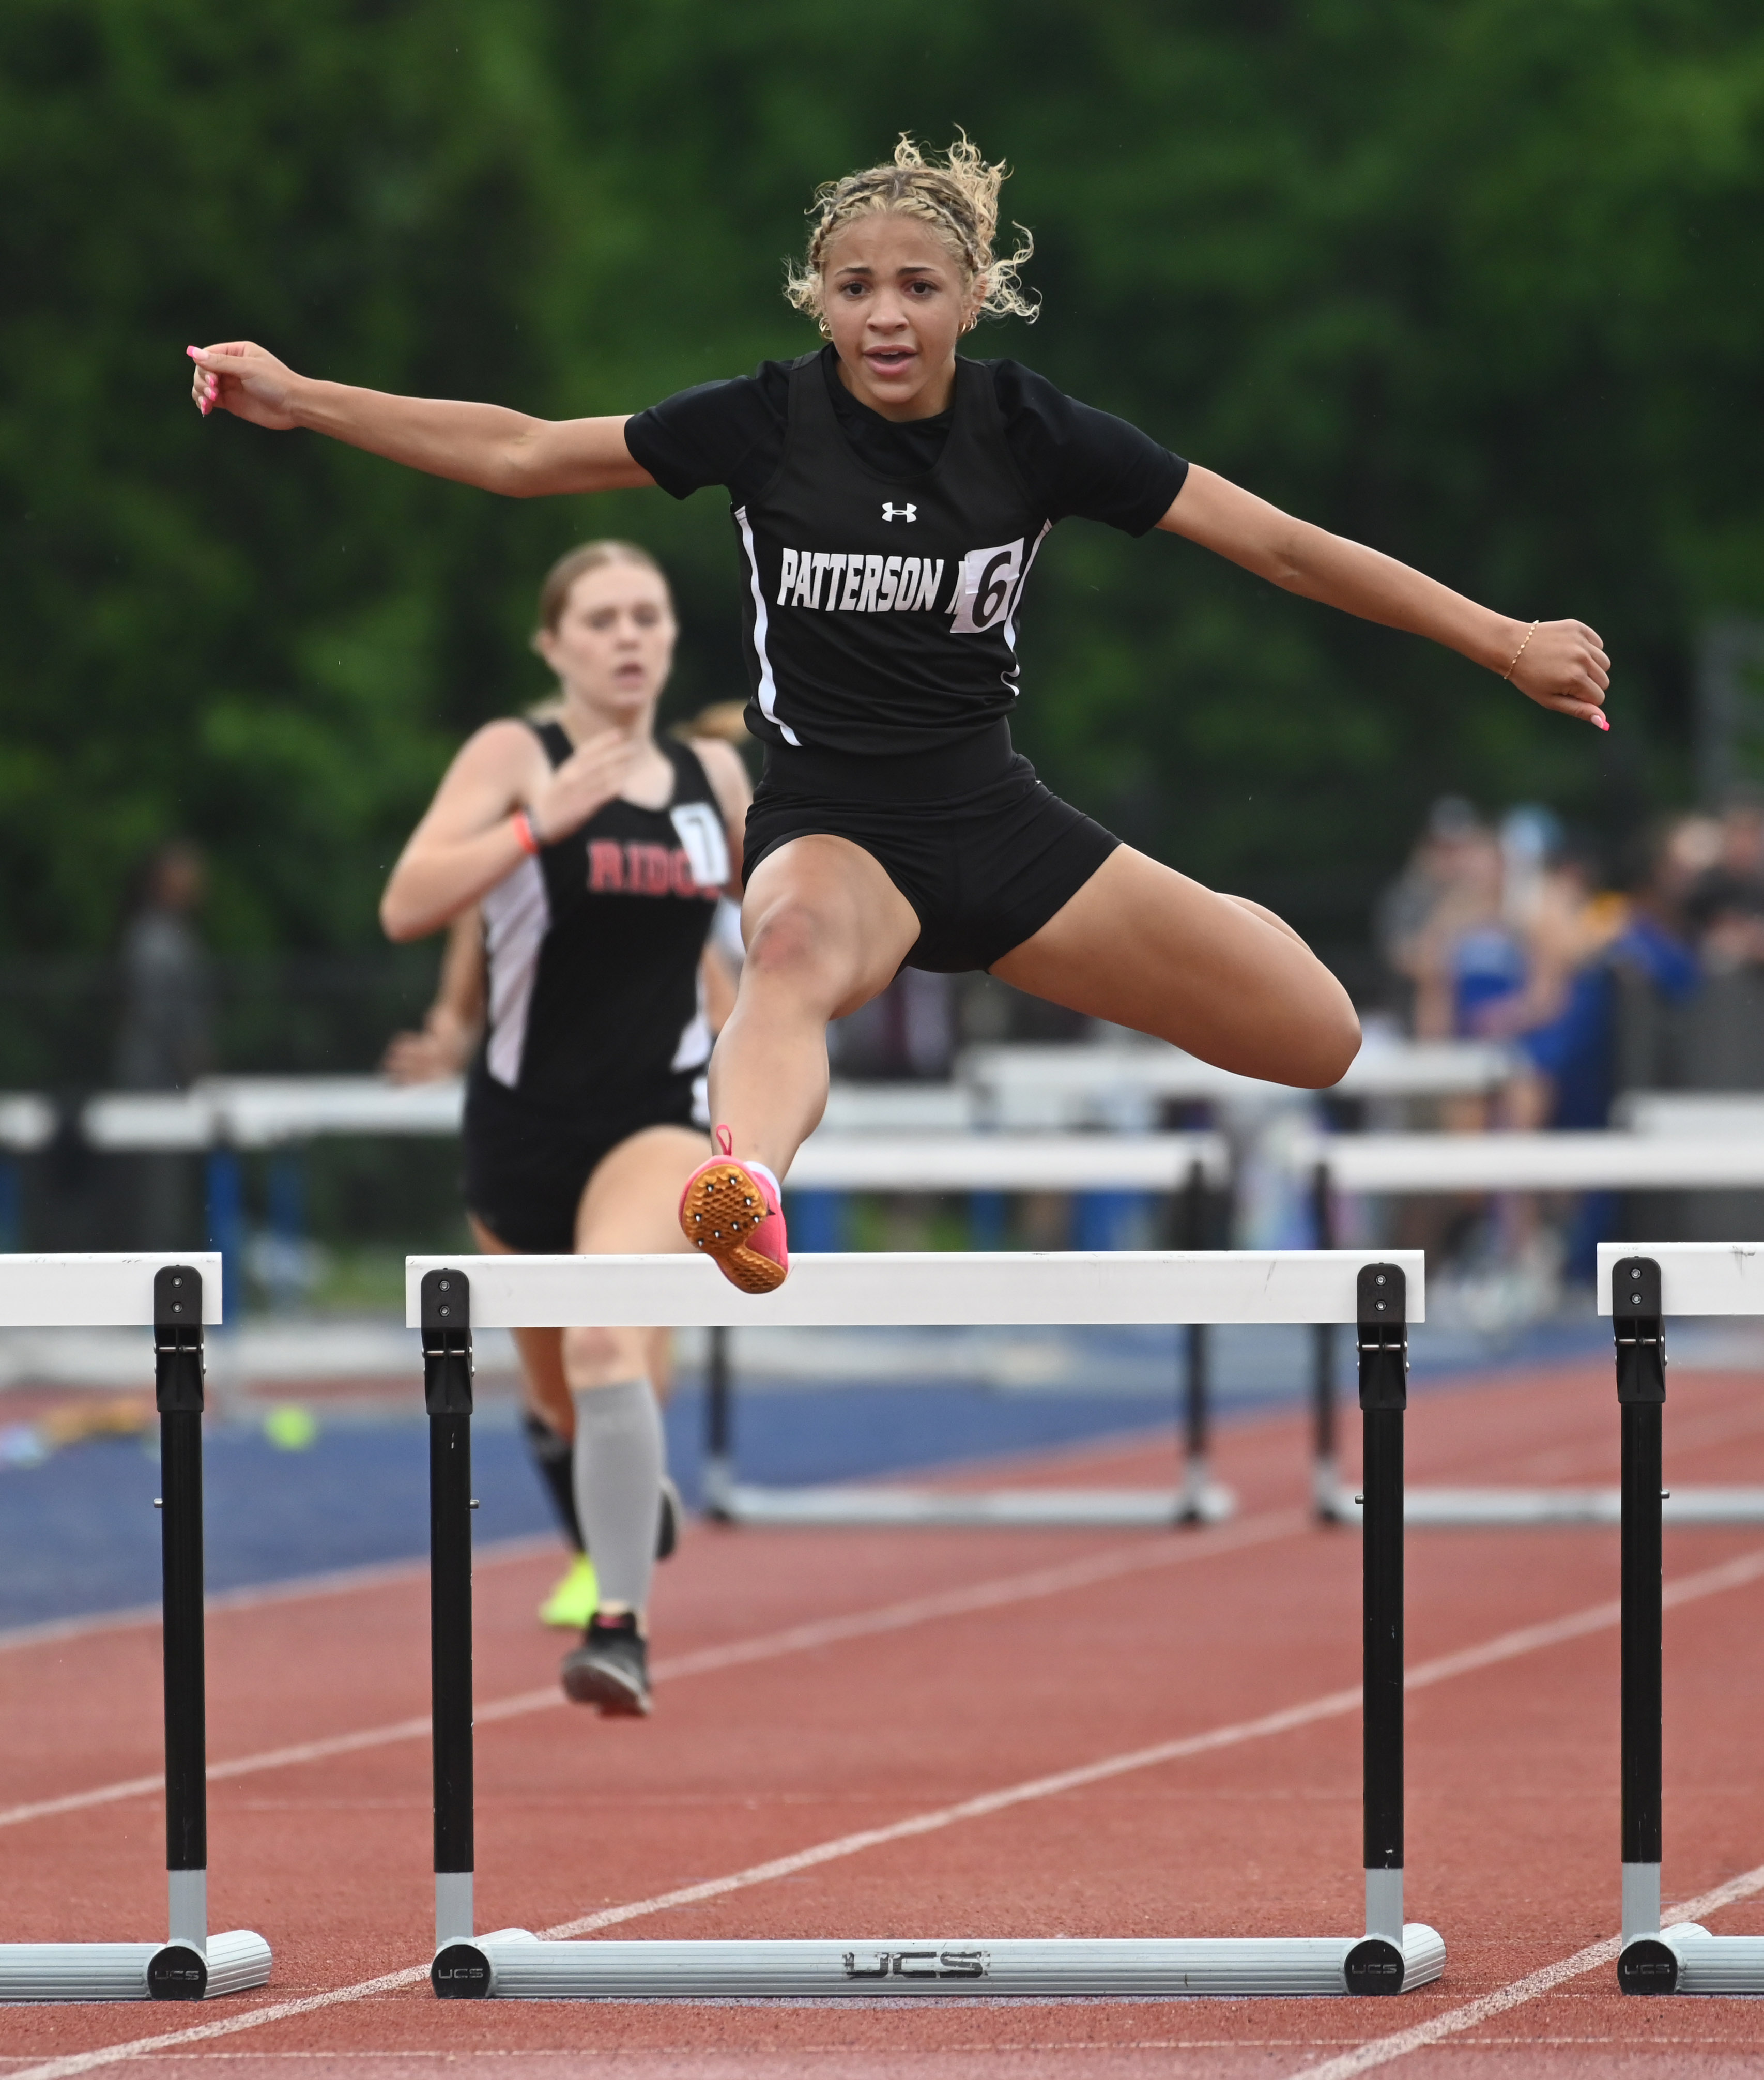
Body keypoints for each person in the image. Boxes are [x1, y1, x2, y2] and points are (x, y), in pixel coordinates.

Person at [186, 132, 1610, 1299]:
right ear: (815, 299)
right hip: (832, 825)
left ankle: (1213, 916)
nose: (883, 314)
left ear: (970, 296)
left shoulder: (1031, 430)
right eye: (854, 285)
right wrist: (302, 397)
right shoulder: (760, 424)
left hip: (992, 825)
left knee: (1317, 1038)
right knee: (785, 952)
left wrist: (1500, 643)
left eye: (916, 286)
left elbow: (1282, 546)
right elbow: (516, 452)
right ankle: (740, 1182)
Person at [376, 539, 749, 1715]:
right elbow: (410, 902)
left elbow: (789, 934)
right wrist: (538, 825)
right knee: (556, 1400)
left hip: (656, 1123)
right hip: (519, 1133)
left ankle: (617, 1627)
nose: (629, 636)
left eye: (648, 615)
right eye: (601, 619)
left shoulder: (713, 781)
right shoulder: (513, 752)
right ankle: (627, 1488)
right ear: (555, 643)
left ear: (674, 637)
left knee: (601, 1345)